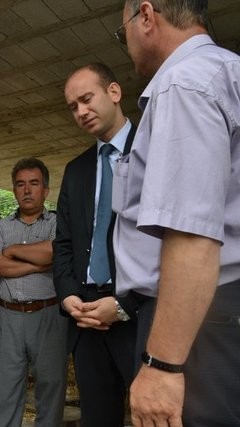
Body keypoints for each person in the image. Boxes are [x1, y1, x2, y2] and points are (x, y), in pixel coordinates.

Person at [113, 1, 240, 425]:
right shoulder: (228, 71)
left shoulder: (183, 85)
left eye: (122, 31)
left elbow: (193, 234)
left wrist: (163, 366)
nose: (126, 42)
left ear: (146, 16)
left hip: (199, 325)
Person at [53, 62, 139, 426]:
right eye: (73, 106)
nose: (81, 111)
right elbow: (64, 244)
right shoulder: (77, 170)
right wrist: (69, 295)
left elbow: (173, 241)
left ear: (114, 93)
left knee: (156, 416)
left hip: (140, 315)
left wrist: (123, 305)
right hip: (86, 317)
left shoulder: (155, 150)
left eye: (87, 99)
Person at [0, 158, 67, 427]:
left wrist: (12, 251)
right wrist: (39, 264)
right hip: (8, 316)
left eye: (34, 183)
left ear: (45, 190)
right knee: (3, 392)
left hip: (49, 315)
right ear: (14, 190)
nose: (27, 190)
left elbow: (55, 252)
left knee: (50, 390)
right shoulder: (1, 227)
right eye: (20, 184)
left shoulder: (58, 223)